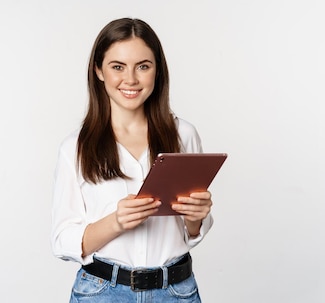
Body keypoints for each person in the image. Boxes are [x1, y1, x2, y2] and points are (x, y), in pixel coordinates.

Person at [51, 17, 213, 302]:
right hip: (102, 293)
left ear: (157, 71)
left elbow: (190, 233)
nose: (131, 80)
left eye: (143, 66)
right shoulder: (75, 148)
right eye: (117, 67)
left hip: (175, 291)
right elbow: (63, 241)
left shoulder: (183, 135)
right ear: (99, 70)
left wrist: (196, 218)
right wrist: (116, 222)